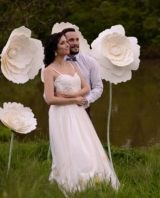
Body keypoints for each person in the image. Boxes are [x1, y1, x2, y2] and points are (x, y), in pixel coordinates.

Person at [43, 32, 120, 194]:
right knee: (68, 145)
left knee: (83, 143)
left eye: (67, 42)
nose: (68, 45)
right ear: (55, 48)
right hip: (61, 113)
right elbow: (50, 99)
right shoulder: (49, 71)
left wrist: (73, 95)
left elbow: (86, 88)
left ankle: (89, 177)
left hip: (77, 112)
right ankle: (69, 178)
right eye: (63, 43)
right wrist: (74, 100)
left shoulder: (73, 66)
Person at [54, 27, 103, 118]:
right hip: (62, 111)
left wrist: (86, 100)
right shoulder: (53, 64)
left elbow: (98, 87)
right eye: (71, 40)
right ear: (63, 43)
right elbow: (47, 94)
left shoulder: (90, 62)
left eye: (77, 40)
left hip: (83, 110)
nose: (76, 43)